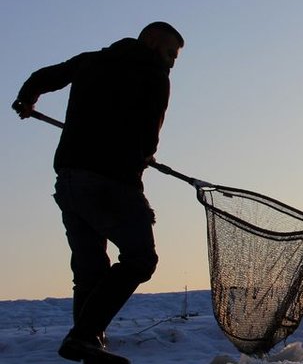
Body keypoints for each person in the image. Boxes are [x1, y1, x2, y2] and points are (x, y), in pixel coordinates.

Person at [12, 22, 184, 363]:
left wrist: (27, 99)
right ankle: (85, 336)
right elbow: (147, 138)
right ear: (151, 42)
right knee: (140, 259)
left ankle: (86, 345)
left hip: (70, 182)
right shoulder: (154, 76)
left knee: (90, 270)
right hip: (111, 183)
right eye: (170, 54)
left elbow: (44, 76)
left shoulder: (91, 60)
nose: (171, 63)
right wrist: (142, 169)